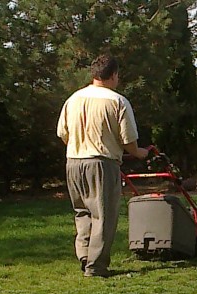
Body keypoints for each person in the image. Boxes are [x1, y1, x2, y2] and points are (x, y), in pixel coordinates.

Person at [57, 54, 149, 277]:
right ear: (114, 75)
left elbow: (63, 134)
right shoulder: (117, 101)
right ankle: (96, 266)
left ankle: (84, 256)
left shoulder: (73, 99)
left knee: (82, 212)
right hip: (101, 163)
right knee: (103, 215)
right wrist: (141, 153)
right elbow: (129, 141)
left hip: (74, 162)